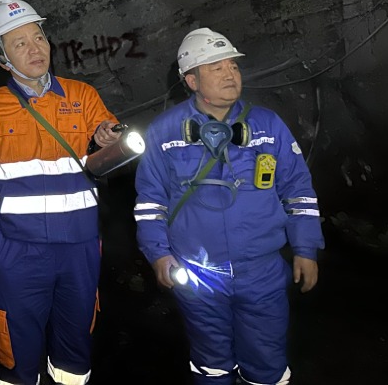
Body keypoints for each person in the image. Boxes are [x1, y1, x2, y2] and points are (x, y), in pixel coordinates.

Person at [133, 28, 324, 385]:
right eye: (216, 68)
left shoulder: (268, 125)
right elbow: (150, 203)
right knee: (211, 363)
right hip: (197, 274)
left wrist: (305, 248)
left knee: (266, 361)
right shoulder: (164, 132)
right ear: (192, 81)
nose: (229, 74)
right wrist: (158, 254)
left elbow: (298, 190)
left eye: (232, 66)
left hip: (261, 270)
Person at [0, 0, 122, 385]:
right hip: (19, 251)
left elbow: (109, 157)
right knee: (16, 353)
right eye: (20, 43)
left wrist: (107, 138)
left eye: (39, 37)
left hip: (79, 248)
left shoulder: (82, 97)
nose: (35, 49)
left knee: (75, 352)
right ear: (3, 59)